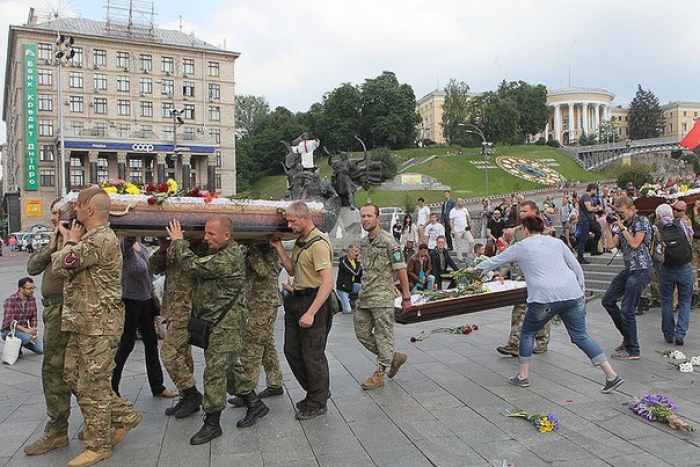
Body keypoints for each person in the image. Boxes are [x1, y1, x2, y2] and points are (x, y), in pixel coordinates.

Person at [472, 216, 625, 393]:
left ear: (526, 230)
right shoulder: (557, 243)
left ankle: (523, 376)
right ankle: (611, 375)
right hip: (571, 294)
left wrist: (475, 269)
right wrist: (581, 290)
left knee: (528, 332)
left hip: (544, 297)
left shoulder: (522, 246)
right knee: (581, 336)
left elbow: (495, 261)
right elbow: (575, 266)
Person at [52, 188, 141, 467]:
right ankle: (122, 416)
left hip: (99, 326)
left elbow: (62, 263)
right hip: (84, 323)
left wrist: (68, 241)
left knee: (93, 382)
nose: (74, 211)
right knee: (73, 375)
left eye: (77, 206)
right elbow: (67, 268)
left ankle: (98, 443)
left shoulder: (100, 239)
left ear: (88, 211)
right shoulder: (91, 239)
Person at [167, 217, 268, 444]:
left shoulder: (229, 257)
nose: (206, 238)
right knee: (229, 368)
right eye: (205, 233)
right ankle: (255, 403)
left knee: (214, 371)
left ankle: (212, 423)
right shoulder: (217, 249)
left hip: (227, 324)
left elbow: (194, 266)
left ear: (227, 236)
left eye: (212, 234)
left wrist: (178, 242)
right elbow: (200, 252)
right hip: (216, 322)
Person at [270, 201, 333, 420]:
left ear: (305, 218)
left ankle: (317, 401)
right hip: (296, 300)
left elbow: (327, 282)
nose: (289, 224)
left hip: (313, 302)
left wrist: (311, 312)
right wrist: (279, 248)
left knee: (312, 354)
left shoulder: (319, 243)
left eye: (292, 220)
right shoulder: (300, 241)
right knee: (292, 350)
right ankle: (318, 390)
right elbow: (292, 269)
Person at [23, 200, 74, 456]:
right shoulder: (55, 239)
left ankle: (57, 431)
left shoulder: (75, 238)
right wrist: (53, 243)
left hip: (66, 311)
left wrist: (66, 239)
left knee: (55, 372)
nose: (53, 218)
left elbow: (68, 269)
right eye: (53, 214)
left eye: (56, 214)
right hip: (53, 311)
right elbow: (32, 267)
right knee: (67, 371)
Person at [112, 236, 177, 401]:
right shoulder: (123, 247)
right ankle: (112, 389)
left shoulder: (141, 246)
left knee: (151, 344)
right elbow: (129, 237)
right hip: (129, 300)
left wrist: (151, 289)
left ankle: (158, 386)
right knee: (126, 345)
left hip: (146, 299)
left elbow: (150, 272)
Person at [356, 203, 411, 389]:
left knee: (383, 336)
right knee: (362, 334)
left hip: (382, 298)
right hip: (365, 297)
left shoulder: (389, 242)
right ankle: (393, 356)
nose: (365, 219)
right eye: (363, 216)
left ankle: (379, 374)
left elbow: (401, 269)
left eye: (369, 216)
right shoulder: (363, 243)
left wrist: (406, 297)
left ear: (378, 218)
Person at [149, 238, 203, 419]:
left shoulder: (198, 244)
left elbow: (197, 268)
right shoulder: (172, 245)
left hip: (186, 307)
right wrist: (163, 248)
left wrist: (180, 242)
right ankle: (186, 397)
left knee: (168, 353)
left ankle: (191, 393)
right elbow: (154, 268)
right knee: (182, 354)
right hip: (172, 308)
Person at [228, 243, 285, 407]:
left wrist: (253, 249)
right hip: (253, 302)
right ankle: (275, 383)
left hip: (265, 303)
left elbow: (263, 271)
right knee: (267, 344)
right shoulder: (245, 249)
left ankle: (248, 391)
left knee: (251, 346)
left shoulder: (269, 250)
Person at [495, 201, 550, 357]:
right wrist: (503, 272)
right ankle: (514, 343)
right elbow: (510, 252)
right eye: (520, 211)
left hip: (540, 276)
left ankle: (542, 341)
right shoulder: (518, 231)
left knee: (540, 310)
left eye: (525, 211)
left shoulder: (543, 231)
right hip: (523, 276)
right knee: (519, 308)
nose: (522, 214)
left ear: (534, 212)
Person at [601, 195, 653, 360]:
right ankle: (628, 337)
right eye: (617, 213)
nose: (620, 216)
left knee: (627, 309)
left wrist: (621, 226)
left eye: (622, 213)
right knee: (608, 300)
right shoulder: (622, 224)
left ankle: (633, 350)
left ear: (632, 209)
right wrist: (608, 227)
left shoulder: (641, 222)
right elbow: (609, 245)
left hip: (642, 269)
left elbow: (635, 243)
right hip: (629, 269)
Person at [654, 203, 693, 346]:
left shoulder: (657, 228)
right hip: (684, 267)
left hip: (666, 268)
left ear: (658, 215)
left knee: (666, 300)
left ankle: (668, 334)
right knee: (685, 301)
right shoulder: (682, 223)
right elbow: (689, 240)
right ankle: (680, 333)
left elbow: (655, 250)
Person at [2, 277, 43, 355]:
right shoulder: (11, 300)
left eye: (33, 288)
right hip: (9, 330)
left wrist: (33, 330)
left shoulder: (32, 299)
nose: (32, 290)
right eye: (29, 288)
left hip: (24, 330)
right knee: (27, 338)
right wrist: (26, 330)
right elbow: (9, 321)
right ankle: (16, 348)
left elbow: (33, 317)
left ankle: (20, 342)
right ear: (21, 289)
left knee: (40, 349)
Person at [577, 183, 603, 264]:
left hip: (588, 220)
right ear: (592, 189)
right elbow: (589, 208)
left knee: (598, 232)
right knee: (583, 239)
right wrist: (597, 208)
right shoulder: (586, 197)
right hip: (585, 220)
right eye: (595, 190)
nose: (595, 192)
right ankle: (580, 256)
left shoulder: (587, 197)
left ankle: (594, 249)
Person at [336, 244, 362, 314]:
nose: (357, 253)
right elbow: (355, 272)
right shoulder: (344, 262)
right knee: (347, 310)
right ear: (350, 252)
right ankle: (340, 302)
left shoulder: (355, 261)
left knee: (364, 286)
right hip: (343, 288)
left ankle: (353, 299)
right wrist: (359, 262)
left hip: (351, 286)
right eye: (356, 251)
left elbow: (360, 274)